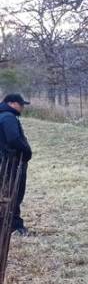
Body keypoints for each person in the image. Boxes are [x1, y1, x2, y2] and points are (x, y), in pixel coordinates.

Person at [0, 93, 32, 236]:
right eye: (21, 104)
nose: (22, 107)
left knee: (7, 193)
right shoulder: (8, 117)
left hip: (5, 161)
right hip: (12, 162)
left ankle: (8, 224)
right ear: (12, 103)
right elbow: (13, 139)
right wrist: (26, 151)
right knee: (14, 194)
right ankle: (15, 227)